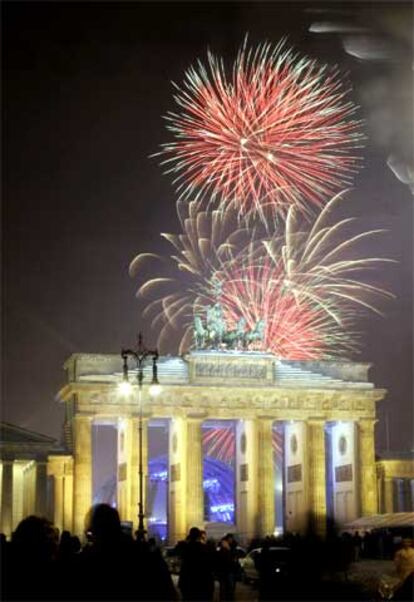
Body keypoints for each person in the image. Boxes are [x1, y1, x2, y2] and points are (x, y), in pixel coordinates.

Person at [178, 526, 215, 601]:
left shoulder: (185, 548)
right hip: (202, 582)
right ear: (199, 536)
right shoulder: (204, 548)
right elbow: (210, 564)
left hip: (187, 581)